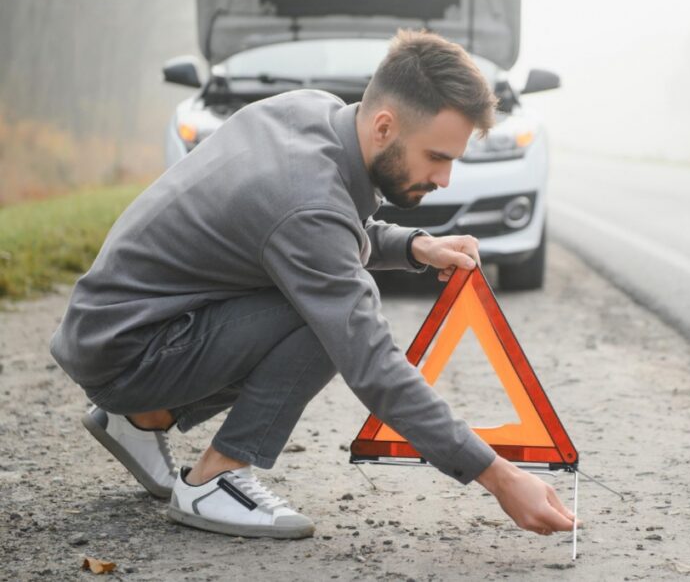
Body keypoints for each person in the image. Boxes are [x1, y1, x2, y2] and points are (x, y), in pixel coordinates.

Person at [49, 29, 575, 540]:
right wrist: (499, 476)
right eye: (437, 157)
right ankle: (213, 479)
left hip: (115, 328)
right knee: (328, 324)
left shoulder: (311, 112)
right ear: (386, 127)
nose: (444, 180)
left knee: (319, 299)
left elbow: (314, 225)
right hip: (129, 353)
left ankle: (144, 419)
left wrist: (414, 245)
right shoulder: (308, 205)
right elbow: (371, 360)